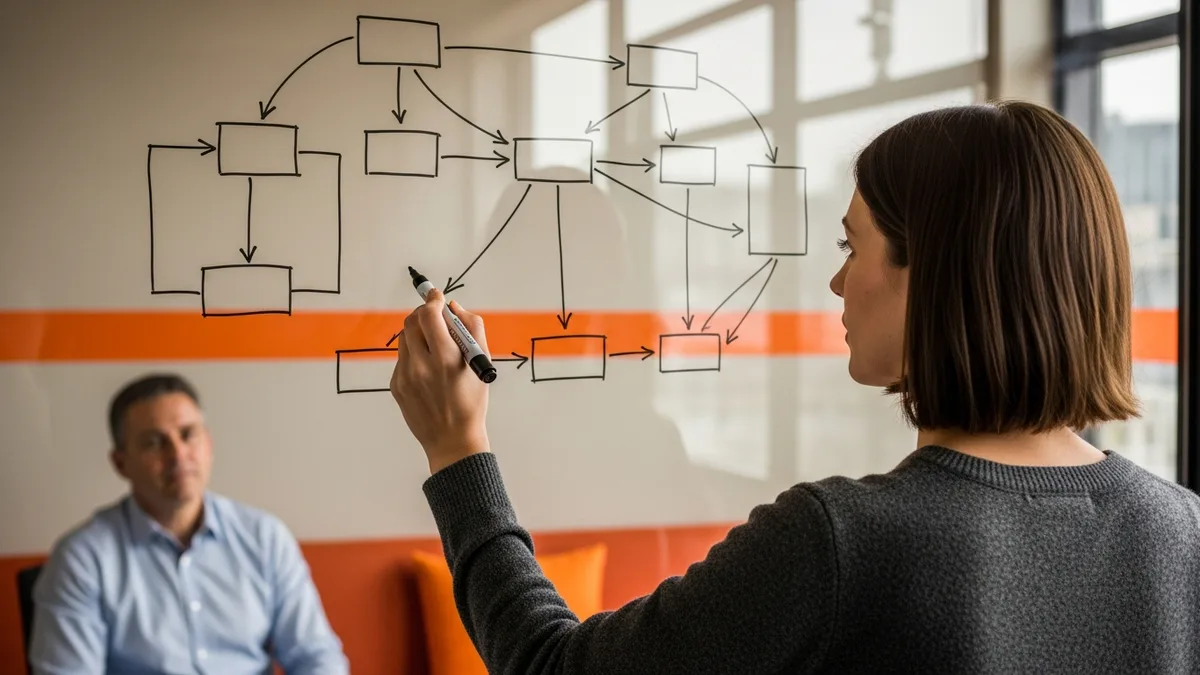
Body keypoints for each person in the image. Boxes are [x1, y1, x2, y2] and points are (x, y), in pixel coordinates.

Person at [388, 100, 1200, 674]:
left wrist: (457, 450)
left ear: (936, 275)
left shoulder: (841, 542)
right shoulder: (1184, 532)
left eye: (855, 247)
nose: (839, 283)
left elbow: (552, 666)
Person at [28, 373, 349, 675]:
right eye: (154, 442)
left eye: (188, 434)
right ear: (121, 463)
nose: (178, 455)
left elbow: (316, 656)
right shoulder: (83, 559)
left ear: (208, 444)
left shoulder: (265, 537)